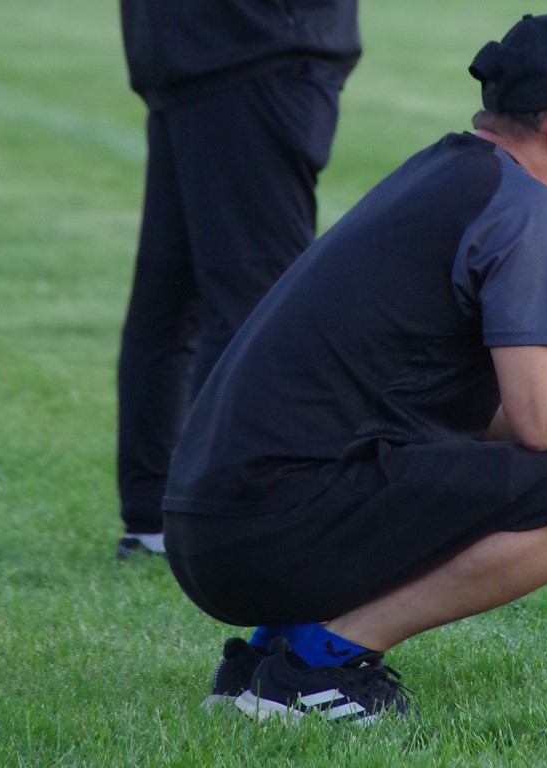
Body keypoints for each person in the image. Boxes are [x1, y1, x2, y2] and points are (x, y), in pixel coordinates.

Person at [163, 13, 547, 722]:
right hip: (260, 527)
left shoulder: (451, 173)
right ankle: (318, 668)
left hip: (214, 528)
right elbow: (543, 420)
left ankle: (273, 654)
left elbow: (493, 413)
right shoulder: (522, 208)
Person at [114, 0, 361, 558]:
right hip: (256, 45)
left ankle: (159, 517)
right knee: (260, 306)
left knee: (172, 298)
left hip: (190, 44)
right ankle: (221, 520)